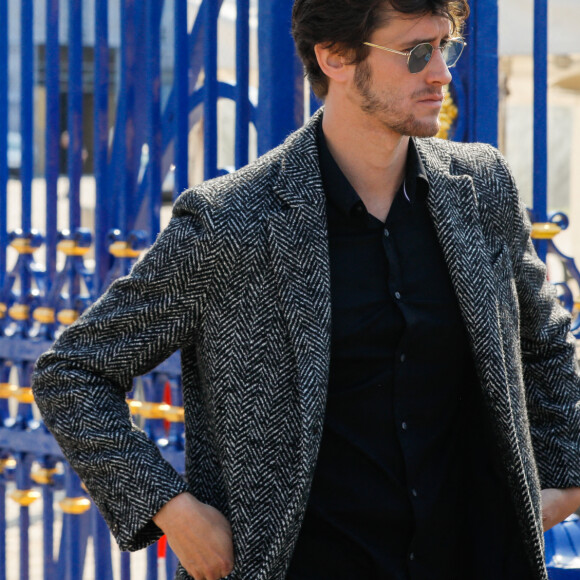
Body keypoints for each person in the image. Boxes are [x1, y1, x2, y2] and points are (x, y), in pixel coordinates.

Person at [32, 0, 580, 579]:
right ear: (336, 57)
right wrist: (173, 510)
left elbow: (544, 347)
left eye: (445, 47)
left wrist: (564, 482)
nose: (441, 72)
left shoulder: (481, 186)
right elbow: (72, 373)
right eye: (416, 52)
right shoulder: (232, 221)